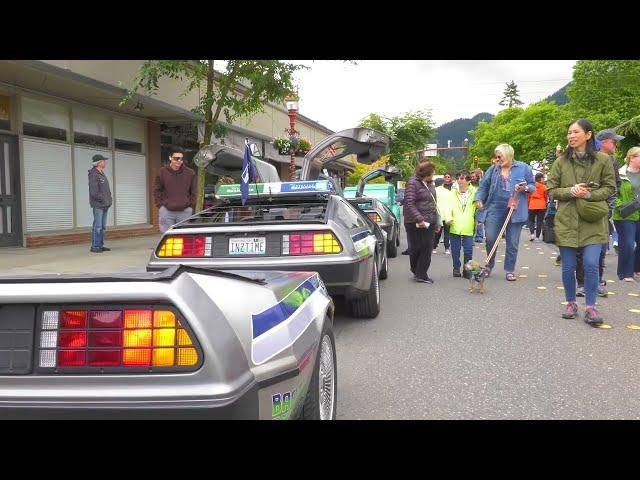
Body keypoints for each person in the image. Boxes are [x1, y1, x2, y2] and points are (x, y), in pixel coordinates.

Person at [546, 118, 616, 327]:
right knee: (568, 267)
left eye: (576, 132)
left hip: (593, 220)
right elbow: (551, 190)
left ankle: (591, 306)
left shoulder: (603, 160)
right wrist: (571, 191)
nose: (571, 136)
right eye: (569, 133)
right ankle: (570, 303)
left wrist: (588, 195)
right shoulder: (560, 162)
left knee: (591, 264)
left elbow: (609, 188)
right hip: (567, 220)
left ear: (588, 135)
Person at [474, 144, 535, 281]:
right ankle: (489, 265)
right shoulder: (493, 169)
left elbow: (532, 186)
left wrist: (524, 188)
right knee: (490, 238)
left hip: (515, 207)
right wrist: (478, 198)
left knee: (512, 241)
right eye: (496, 157)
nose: (497, 159)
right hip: (495, 206)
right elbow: (483, 186)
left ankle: (509, 269)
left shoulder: (524, 168)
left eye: (499, 156)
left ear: (508, 155)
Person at [404, 161, 441, 283]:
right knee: (415, 248)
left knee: (427, 247)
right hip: (414, 221)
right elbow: (409, 203)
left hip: (429, 220)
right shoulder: (412, 183)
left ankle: (421, 274)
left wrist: (436, 222)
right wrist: (419, 218)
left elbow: (433, 203)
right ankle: (416, 270)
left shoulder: (431, 183)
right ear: (427, 173)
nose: (434, 173)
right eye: (433, 171)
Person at [439, 170, 477, 278]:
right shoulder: (452, 193)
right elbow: (447, 207)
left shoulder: (475, 192)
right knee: (455, 250)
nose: (459, 181)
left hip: (468, 225)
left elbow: (479, 206)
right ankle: (456, 267)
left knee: (468, 250)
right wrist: (448, 218)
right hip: (454, 225)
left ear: (468, 181)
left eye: (462, 178)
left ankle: (466, 269)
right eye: (458, 178)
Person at [612, 146, 640, 282]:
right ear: (632, 158)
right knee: (628, 243)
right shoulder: (621, 174)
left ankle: (636, 268)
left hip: (639, 214)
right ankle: (625, 273)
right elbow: (613, 193)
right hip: (625, 215)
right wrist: (620, 205)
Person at [153, 147, 197, 232]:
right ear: (170, 158)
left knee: (184, 237)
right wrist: (161, 206)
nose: (179, 161)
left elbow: (193, 191)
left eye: (181, 158)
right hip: (166, 212)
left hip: (185, 212)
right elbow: (157, 190)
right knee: (167, 238)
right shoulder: (162, 172)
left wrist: (190, 206)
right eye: (176, 158)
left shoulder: (190, 173)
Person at [88, 154, 112, 253]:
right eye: (103, 161)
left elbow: (106, 190)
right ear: (98, 163)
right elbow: (94, 192)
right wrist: (103, 200)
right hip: (98, 205)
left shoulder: (101, 173)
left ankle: (100, 245)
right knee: (97, 226)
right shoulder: (93, 174)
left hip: (105, 204)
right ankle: (95, 246)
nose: (105, 162)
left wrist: (109, 199)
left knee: (102, 227)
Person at [433, 175, 452, 254]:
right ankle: (447, 248)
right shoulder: (448, 191)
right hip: (447, 214)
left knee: (437, 232)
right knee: (447, 233)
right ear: (442, 184)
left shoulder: (433, 191)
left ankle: (434, 247)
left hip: (438, 214)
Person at [527, 173, 548, 241]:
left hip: (532, 205)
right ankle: (537, 237)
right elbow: (545, 196)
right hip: (541, 205)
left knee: (531, 220)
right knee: (539, 221)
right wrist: (545, 203)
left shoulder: (531, 187)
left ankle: (532, 234)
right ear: (541, 178)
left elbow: (529, 196)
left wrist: (528, 204)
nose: (544, 179)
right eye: (543, 178)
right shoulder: (544, 187)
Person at [471, 168, 486, 242]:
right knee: (472, 221)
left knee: (480, 220)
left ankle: (479, 236)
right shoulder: (469, 184)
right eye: (472, 176)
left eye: (474, 176)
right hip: (471, 204)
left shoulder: (481, 183)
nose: (472, 178)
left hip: (480, 204)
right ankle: (471, 235)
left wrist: (481, 177)